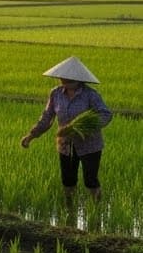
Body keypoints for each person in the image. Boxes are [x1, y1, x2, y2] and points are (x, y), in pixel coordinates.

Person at [20, 57, 113, 202]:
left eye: (69, 80)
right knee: (68, 180)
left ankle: (97, 210)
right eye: (63, 78)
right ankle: (69, 208)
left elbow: (105, 114)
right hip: (65, 144)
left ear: (79, 80)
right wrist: (31, 136)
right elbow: (47, 117)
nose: (64, 81)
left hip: (90, 145)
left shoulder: (90, 95)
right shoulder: (56, 93)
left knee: (90, 180)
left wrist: (83, 128)